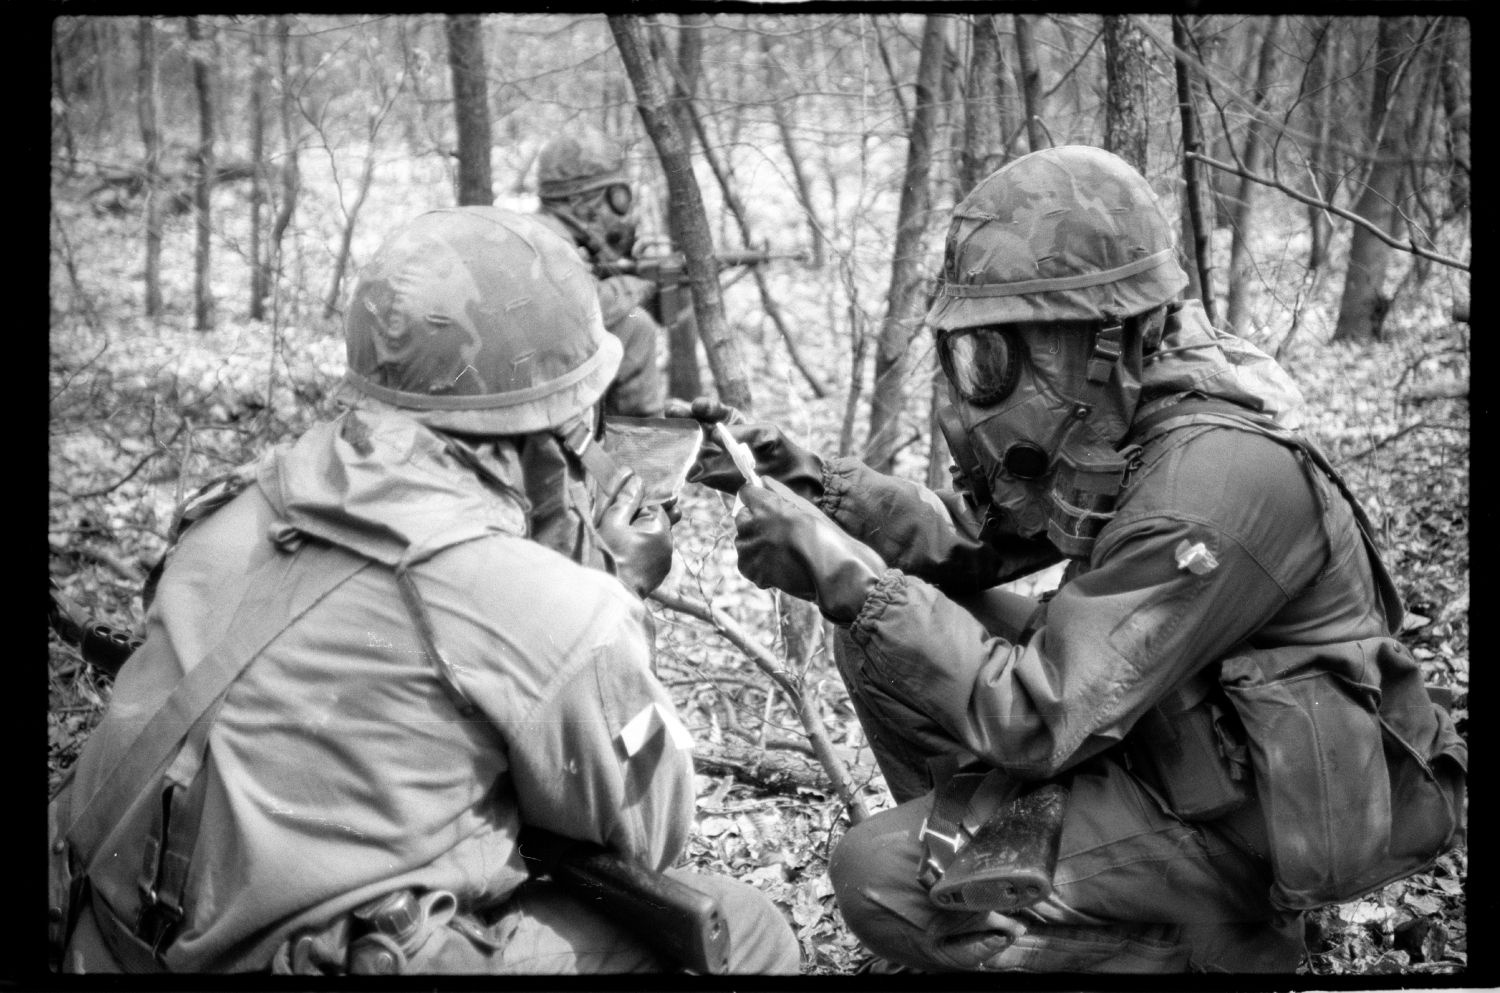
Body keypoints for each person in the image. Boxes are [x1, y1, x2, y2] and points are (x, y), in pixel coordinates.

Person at [677, 145, 1466, 973]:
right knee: (878, 643)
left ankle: (1220, 949)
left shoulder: (1210, 483)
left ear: (1099, 335)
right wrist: (807, 483)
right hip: (1173, 735)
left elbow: (1039, 714)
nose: (982, 382)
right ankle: (1006, 865)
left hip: (1261, 812)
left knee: (878, 875)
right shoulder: (1124, 406)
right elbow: (979, 535)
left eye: (1004, 351)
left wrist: (845, 575)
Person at [48, 207, 800, 975]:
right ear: (561, 423)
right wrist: (611, 598)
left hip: (97, 939)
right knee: (746, 931)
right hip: (296, 961)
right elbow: (651, 832)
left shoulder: (237, 507)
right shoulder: (558, 609)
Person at [533, 127, 666, 418]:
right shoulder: (550, 241)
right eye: (616, 199)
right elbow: (586, 305)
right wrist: (639, 285)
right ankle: (648, 445)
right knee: (636, 327)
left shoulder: (533, 231)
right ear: (580, 202)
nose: (619, 216)